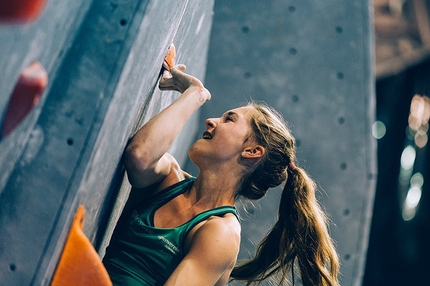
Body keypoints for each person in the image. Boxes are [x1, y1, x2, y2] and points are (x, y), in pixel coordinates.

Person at [102, 61, 340, 285]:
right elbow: (140, 155)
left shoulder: (220, 233)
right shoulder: (169, 179)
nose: (210, 120)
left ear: (252, 151)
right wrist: (194, 94)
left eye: (229, 119)